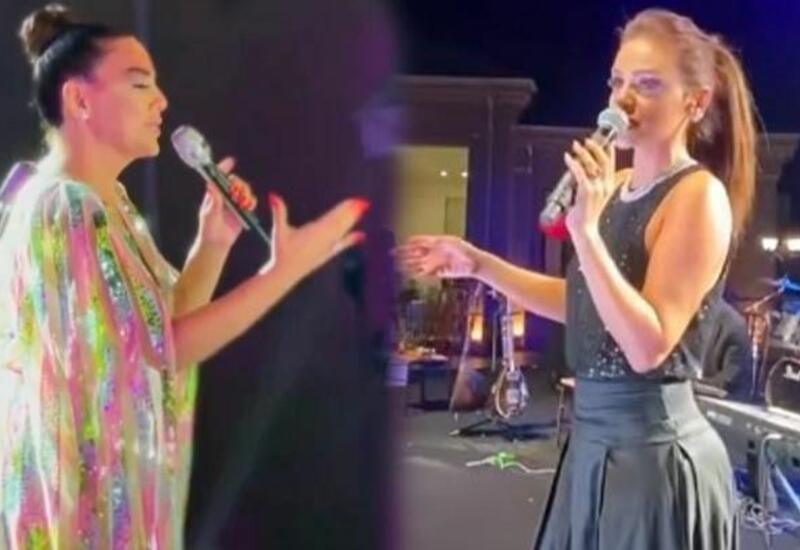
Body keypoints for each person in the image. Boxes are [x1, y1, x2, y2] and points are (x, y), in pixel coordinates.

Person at [0, 4, 367, 548]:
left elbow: (163, 321)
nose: (161, 100)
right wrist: (282, 271)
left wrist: (212, 241)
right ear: (79, 100)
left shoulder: (107, 203)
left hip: (103, 501)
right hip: (80, 510)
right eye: (139, 83)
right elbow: (164, 350)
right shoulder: (68, 207)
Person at [397, 8, 756, 549]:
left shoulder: (698, 196)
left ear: (696, 102)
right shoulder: (614, 185)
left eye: (648, 85)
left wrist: (585, 233)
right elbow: (583, 300)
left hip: (652, 458)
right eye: (618, 82)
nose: (623, 101)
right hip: (591, 445)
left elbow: (649, 346)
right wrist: (478, 263)